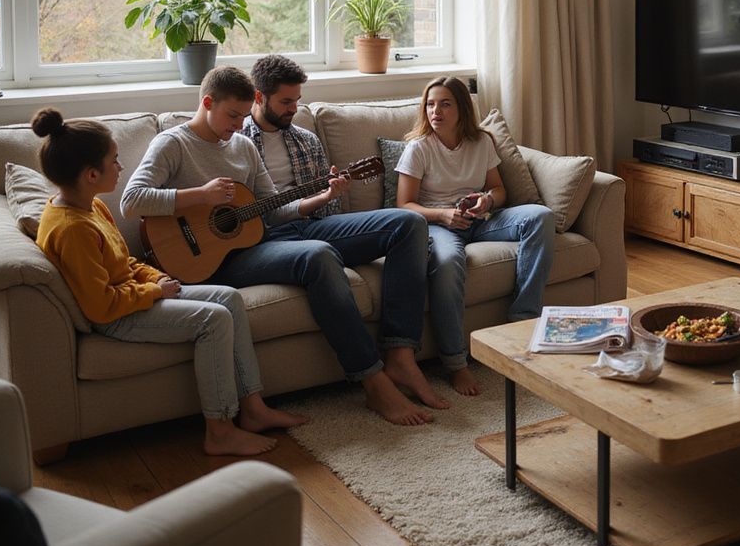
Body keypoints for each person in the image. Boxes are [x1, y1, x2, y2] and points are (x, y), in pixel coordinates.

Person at [121, 64, 446, 426]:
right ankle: (373, 381)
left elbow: (272, 209)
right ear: (207, 102)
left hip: (269, 237)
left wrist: (321, 197)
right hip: (217, 262)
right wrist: (200, 195)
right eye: (232, 115)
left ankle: (401, 355)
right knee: (319, 256)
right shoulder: (173, 143)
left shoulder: (242, 146)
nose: (236, 125)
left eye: (243, 116)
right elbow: (131, 200)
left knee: (409, 223)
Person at [31, 107, 306, 457]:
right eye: (114, 161)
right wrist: (152, 292)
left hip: (134, 296)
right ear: (90, 174)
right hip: (116, 317)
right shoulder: (72, 228)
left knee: (229, 299)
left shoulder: (92, 207)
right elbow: (101, 304)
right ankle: (220, 430)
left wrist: (157, 277)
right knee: (214, 319)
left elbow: (124, 261)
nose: (121, 167)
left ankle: (253, 408)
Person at [395, 76, 555, 395]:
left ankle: (522, 321)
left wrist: (487, 199)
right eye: (430, 104)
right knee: (449, 263)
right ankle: (456, 363)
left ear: (461, 108)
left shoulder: (481, 141)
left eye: (444, 103)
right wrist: (443, 214)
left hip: (479, 219)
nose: (435, 111)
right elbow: (404, 205)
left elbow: (498, 189)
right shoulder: (418, 148)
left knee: (541, 216)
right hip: (437, 225)